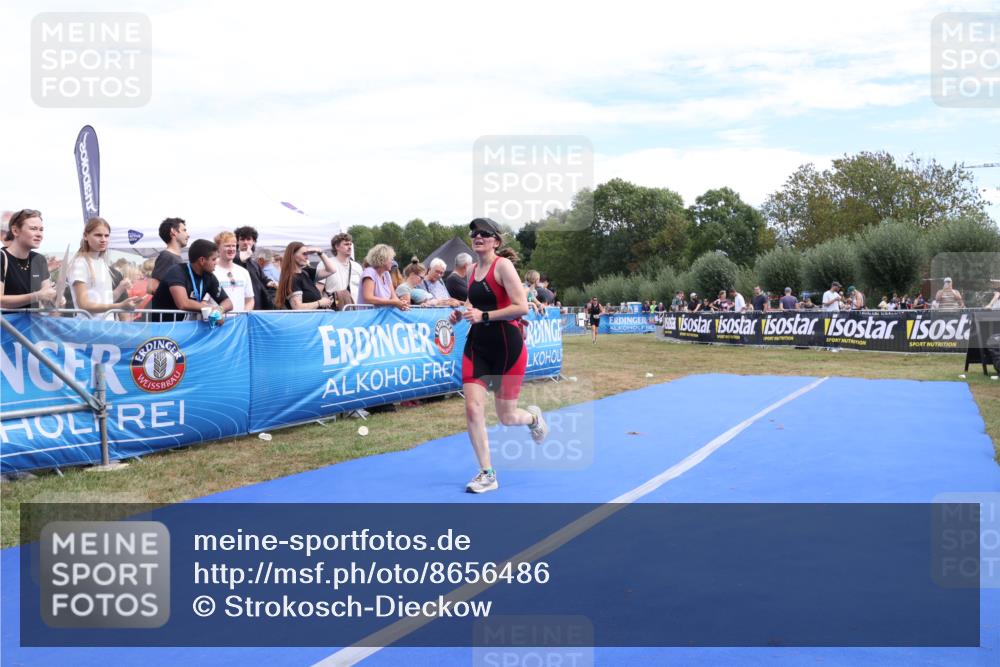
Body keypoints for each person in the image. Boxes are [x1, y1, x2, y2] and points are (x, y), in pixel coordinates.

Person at [450, 218, 547, 494]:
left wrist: (483, 316)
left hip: (507, 347)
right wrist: (462, 311)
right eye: (474, 233)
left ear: (496, 241)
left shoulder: (503, 266)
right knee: (472, 408)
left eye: (484, 233)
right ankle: (487, 473)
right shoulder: (469, 269)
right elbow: (474, 302)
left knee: (507, 416)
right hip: (477, 345)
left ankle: (533, 419)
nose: (477, 237)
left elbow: (521, 307)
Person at [67, 217, 144, 318]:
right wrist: (120, 305)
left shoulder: (101, 262)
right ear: (85, 236)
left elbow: (105, 300)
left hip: (106, 326)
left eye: (106, 236)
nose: (103, 239)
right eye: (98, 235)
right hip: (88, 328)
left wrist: (120, 289)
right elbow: (84, 304)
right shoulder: (80, 263)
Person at [149, 239, 233, 322]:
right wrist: (209, 308)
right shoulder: (177, 271)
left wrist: (219, 310)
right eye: (213, 259)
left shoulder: (209, 276)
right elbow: (183, 303)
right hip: (164, 328)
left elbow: (228, 302)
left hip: (185, 329)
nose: (216, 263)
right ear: (202, 260)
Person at [0, 209, 57, 309]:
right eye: (33, 228)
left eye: (41, 229)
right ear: (15, 231)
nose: (39, 234)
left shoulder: (39, 260)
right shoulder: (2, 258)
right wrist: (36, 296)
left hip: (33, 322)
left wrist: (56, 299)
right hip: (6, 323)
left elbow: (46, 301)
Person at [275, 242, 336, 310]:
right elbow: (297, 307)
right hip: (304, 319)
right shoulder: (292, 279)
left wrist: (320, 253)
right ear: (292, 255)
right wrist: (320, 302)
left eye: (307, 254)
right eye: (304, 254)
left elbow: (332, 270)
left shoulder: (306, 272)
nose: (307, 257)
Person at [234, 226, 276, 310]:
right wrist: (243, 256)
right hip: (240, 306)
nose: (245, 242)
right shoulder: (233, 259)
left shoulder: (254, 264)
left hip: (258, 306)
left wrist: (271, 283)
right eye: (242, 239)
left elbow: (264, 279)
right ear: (237, 242)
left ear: (254, 241)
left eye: (248, 239)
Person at [212, 231, 254, 312]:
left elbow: (250, 300)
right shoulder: (211, 272)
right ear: (218, 248)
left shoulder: (243, 272)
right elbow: (204, 302)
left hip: (239, 322)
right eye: (227, 246)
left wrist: (243, 316)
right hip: (218, 322)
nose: (231, 249)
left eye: (233, 246)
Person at [357, 244, 408, 309]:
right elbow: (368, 298)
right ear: (382, 259)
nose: (392, 262)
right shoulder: (369, 272)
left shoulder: (386, 274)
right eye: (391, 259)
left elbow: (394, 297)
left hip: (382, 316)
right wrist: (394, 302)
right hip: (368, 316)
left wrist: (401, 303)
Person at [148, 217, 189, 296]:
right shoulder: (167, 256)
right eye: (184, 230)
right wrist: (179, 299)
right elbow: (152, 287)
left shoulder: (173, 257)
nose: (188, 235)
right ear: (173, 232)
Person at [321, 232, 362, 303]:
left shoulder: (357, 266)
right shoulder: (326, 264)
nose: (349, 247)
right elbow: (318, 289)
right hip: (334, 310)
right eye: (346, 244)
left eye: (350, 244)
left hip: (356, 309)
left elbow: (362, 289)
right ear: (337, 246)